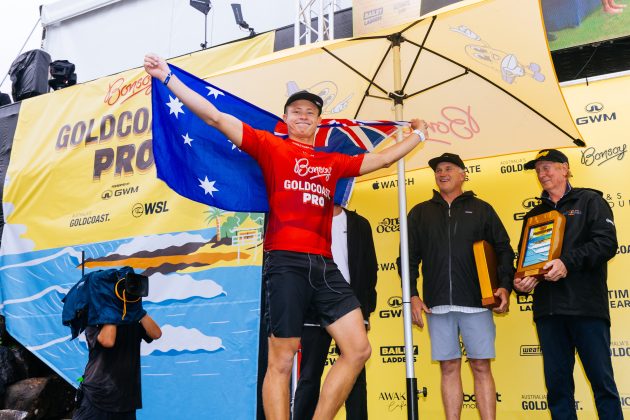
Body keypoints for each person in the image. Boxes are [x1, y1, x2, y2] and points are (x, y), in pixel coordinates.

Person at [143, 54, 429, 420]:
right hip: (286, 262)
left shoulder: (331, 162)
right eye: (296, 111)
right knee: (283, 355)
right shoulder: (270, 146)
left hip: (324, 266)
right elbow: (215, 117)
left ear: (318, 122)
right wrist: (168, 78)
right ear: (287, 119)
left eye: (310, 112)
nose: (303, 115)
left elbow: (383, 160)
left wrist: (418, 135)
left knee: (358, 349)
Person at [401, 152, 514, 420]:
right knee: (448, 367)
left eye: (449, 168)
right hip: (437, 304)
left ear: (463, 174)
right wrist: (413, 295)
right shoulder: (419, 212)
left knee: (481, 366)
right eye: (438, 169)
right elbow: (406, 257)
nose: (442, 173)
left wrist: (504, 286)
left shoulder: (482, 209)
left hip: (477, 302)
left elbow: (503, 250)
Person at [513, 149, 622, 420]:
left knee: (602, 385)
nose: (542, 173)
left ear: (565, 168)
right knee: (558, 390)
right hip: (549, 312)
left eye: (548, 167)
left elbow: (606, 244)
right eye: (538, 169)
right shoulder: (533, 215)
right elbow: (524, 262)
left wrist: (567, 263)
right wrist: (521, 282)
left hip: (586, 309)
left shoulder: (590, 201)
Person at [293, 205, 378, 420]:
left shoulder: (360, 224)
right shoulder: (305, 220)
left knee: (355, 375)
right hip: (312, 309)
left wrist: (365, 312)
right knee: (309, 375)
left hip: (348, 308)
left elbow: (370, 270)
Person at [73, 314, 162, 420]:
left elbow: (156, 334)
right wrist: (112, 308)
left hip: (125, 400)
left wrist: (138, 310)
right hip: (96, 397)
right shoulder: (94, 317)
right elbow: (107, 341)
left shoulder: (130, 319)